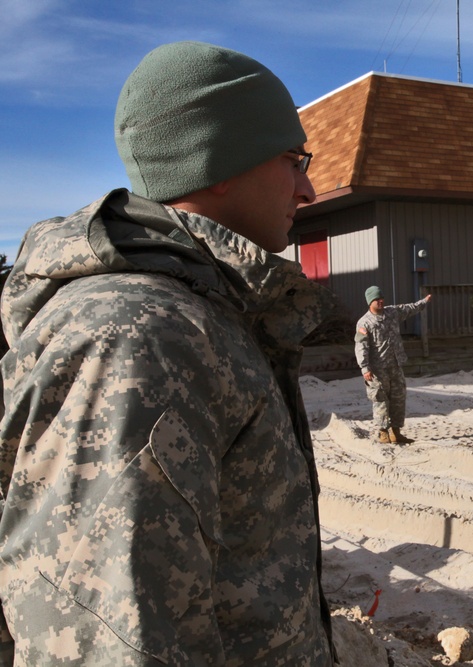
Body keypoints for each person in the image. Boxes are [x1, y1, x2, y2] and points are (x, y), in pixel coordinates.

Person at [0, 42, 338, 665]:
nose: (309, 188)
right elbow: (111, 640)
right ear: (216, 162)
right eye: (293, 160)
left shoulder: (204, 314)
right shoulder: (140, 336)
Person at [355, 287, 431, 444]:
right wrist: (365, 368)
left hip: (395, 366)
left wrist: (424, 302)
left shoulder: (392, 312)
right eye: (377, 299)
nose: (381, 301)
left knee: (398, 398)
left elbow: (410, 308)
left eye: (382, 298)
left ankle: (396, 432)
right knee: (381, 400)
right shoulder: (364, 322)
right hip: (377, 369)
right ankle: (383, 432)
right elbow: (361, 346)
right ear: (370, 302)